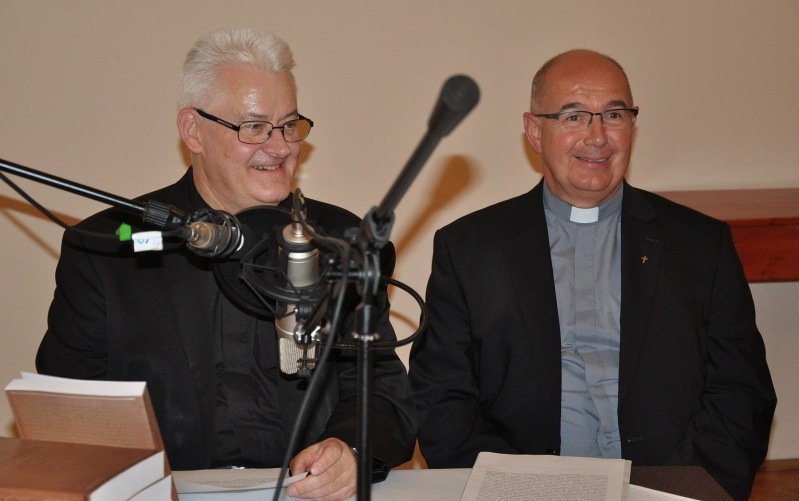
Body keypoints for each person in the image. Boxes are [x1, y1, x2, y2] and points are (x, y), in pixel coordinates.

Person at [36, 27, 417, 501]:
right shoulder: (106, 248)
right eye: (254, 127)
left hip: (305, 494)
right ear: (193, 131)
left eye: (289, 125)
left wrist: (350, 449)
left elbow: (382, 390)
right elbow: (68, 410)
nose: (280, 147)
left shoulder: (341, 240)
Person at [408, 49, 776, 500]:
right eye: (574, 116)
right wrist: (518, 490)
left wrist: (679, 491)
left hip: (669, 490)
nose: (597, 136)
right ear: (534, 131)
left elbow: (742, 393)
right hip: (525, 491)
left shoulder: (701, 245)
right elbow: (442, 400)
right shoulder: (469, 249)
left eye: (614, 115)